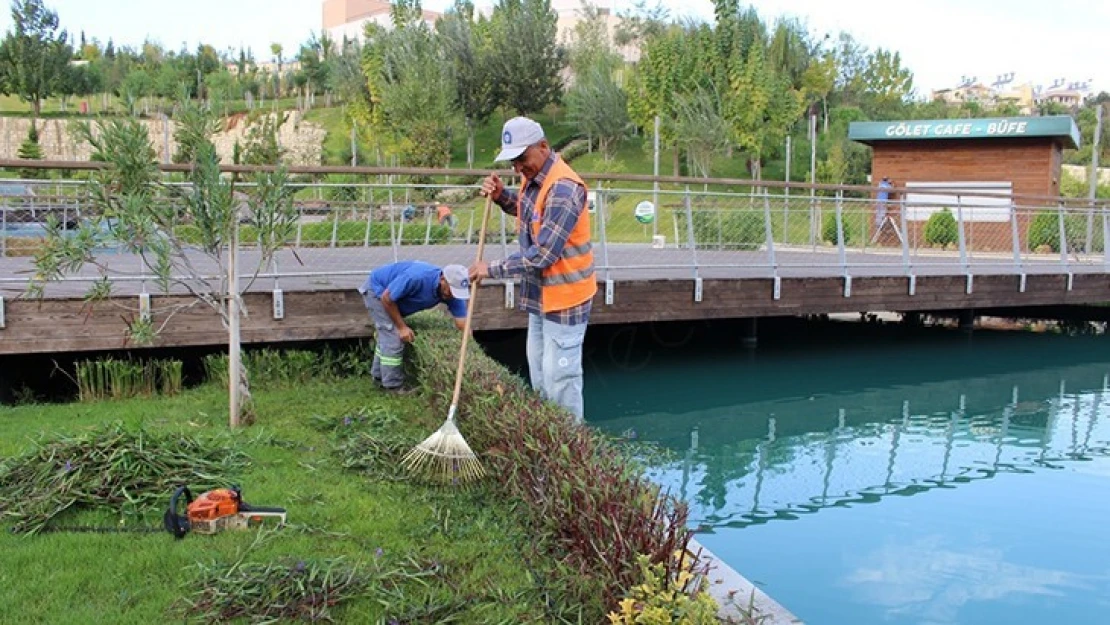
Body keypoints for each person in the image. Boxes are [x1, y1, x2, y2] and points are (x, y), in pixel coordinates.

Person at [469, 116, 595, 423]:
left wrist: (491, 269)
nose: (517, 169)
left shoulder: (564, 187)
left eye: (521, 159)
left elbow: (543, 255)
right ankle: (549, 442)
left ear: (542, 146)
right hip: (541, 296)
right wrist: (501, 197)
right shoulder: (536, 177)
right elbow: (530, 213)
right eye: (512, 162)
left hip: (566, 300)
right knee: (540, 374)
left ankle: (571, 454)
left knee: (561, 380)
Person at [358, 261, 470, 393]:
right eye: (451, 290)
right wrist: (402, 327)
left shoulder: (452, 293)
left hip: (393, 297)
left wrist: (468, 345)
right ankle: (393, 386)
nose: (452, 295)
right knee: (393, 337)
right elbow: (387, 298)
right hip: (377, 291)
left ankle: (378, 377)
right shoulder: (417, 278)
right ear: (443, 279)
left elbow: (463, 323)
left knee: (387, 337)